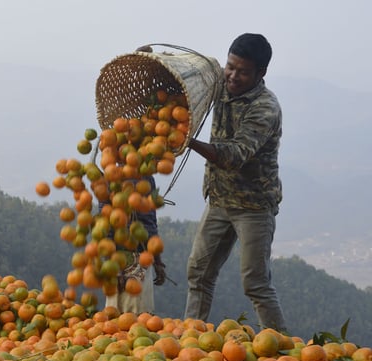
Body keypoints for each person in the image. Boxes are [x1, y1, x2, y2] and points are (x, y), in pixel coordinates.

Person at [183, 33, 287, 332]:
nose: (233, 75)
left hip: (253, 205)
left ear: (260, 73)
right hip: (219, 198)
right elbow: (187, 84)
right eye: (230, 66)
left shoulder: (265, 108)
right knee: (198, 273)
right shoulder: (221, 83)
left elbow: (234, 155)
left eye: (242, 71)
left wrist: (188, 141)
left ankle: (283, 353)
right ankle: (190, 336)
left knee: (256, 283)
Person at [104, 176, 167, 314]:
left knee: (141, 321)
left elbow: (150, 222)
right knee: (116, 323)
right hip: (120, 260)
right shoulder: (111, 178)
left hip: (143, 259)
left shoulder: (147, 179)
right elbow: (105, 226)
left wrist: (157, 260)